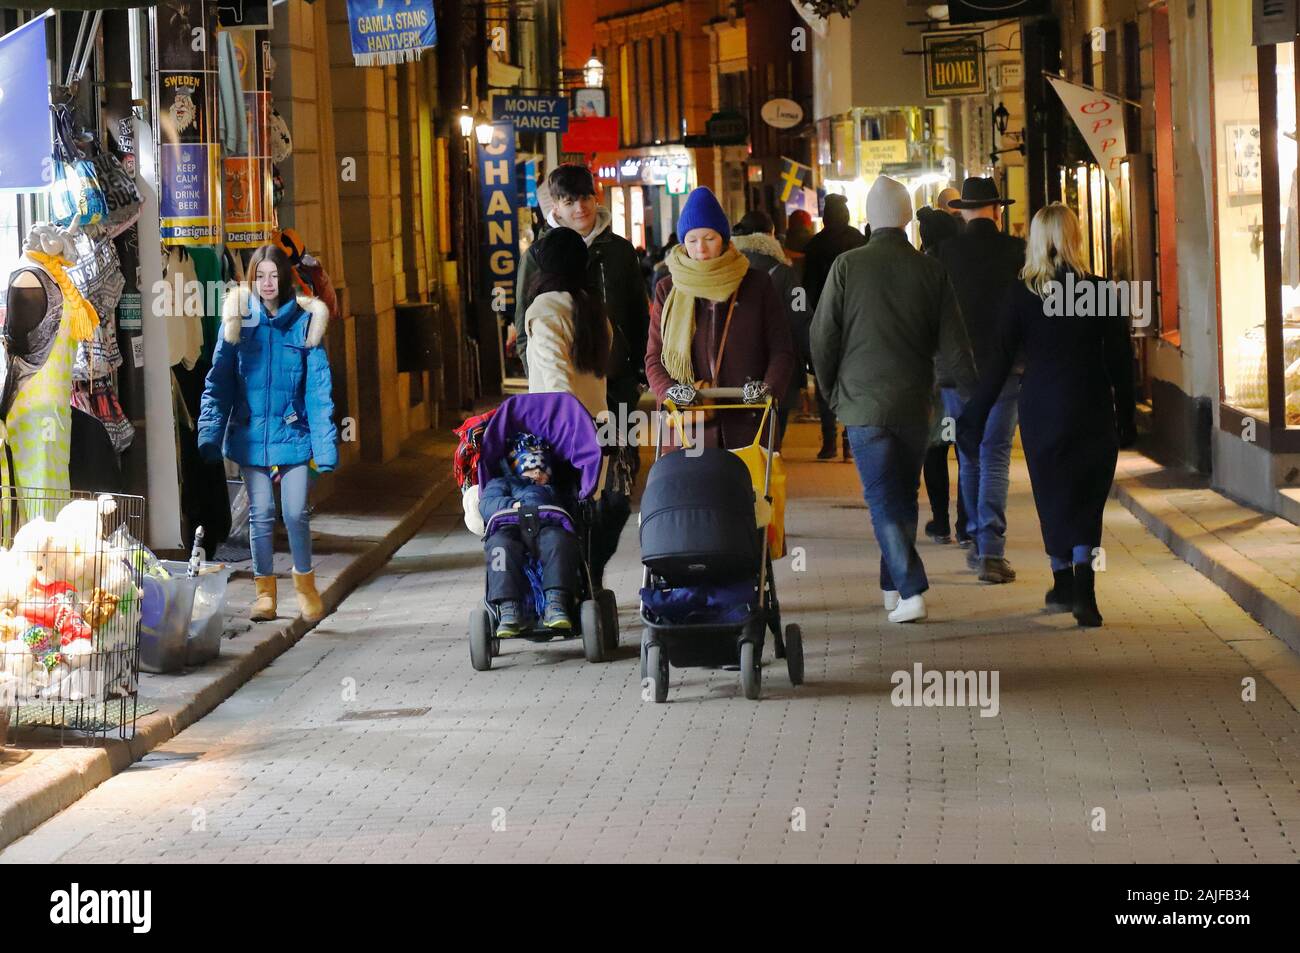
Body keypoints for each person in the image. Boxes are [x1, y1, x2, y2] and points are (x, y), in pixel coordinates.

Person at [958, 203, 1136, 628]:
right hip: (1092, 407)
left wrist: (973, 416)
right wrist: (1127, 418)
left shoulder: (1022, 294)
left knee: (1053, 493)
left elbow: (999, 362)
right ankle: (1084, 588)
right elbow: (1122, 363)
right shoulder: (1100, 291)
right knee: (1087, 501)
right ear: (1075, 237)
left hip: (1042, 408)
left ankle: (1062, 581)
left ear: (1036, 241)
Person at [811, 175, 977, 624]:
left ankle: (909, 588)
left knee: (884, 499)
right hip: (913, 404)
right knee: (902, 495)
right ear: (908, 218)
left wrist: (830, 394)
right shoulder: (931, 270)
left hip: (862, 406)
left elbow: (822, 336)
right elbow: (956, 346)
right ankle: (893, 586)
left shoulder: (846, 266)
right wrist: (973, 399)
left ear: (869, 218)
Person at [513, 165, 649, 588]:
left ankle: (589, 567)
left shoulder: (618, 250)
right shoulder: (539, 254)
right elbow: (524, 326)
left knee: (615, 494)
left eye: (586, 197)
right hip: (559, 402)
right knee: (571, 489)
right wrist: (540, 386)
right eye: (570, 200)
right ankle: (570, 577)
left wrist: (636, 373)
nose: (581, 207)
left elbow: (639, 316)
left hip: (616, 391)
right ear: (555, 205)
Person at [198, 244, 337, 623]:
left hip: (292, 433)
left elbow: (318, 389)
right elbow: (218, 382)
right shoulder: (237, 320)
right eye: (260, 275)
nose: (267, 282)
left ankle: (306, 586)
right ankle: (265, 595)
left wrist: (325, 446)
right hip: (249, 433)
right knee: (261, 513)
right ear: (251, 279)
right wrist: (210, 432)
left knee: (294, 513)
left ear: (285, 278)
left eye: (274, 274)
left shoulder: (305, 322)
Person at [645, 187, 796, 450]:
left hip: (748, 425)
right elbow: (654, 358)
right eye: (692, 241)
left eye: (709, 238)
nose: (700, 248)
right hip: (688, 428)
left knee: (749, 491)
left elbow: (781, 349)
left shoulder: (757, 284)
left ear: (725, 239)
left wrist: (768, 389)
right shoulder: (667, 289)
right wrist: (670, 391)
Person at [937, 176, 1027, 584]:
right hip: (1006, 369)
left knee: (968, 452)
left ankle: (974, 541)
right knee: (995, 456)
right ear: (997, 210)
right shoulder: (1016, 251)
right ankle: (991, 550)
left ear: (963, 211)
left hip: (958, 376)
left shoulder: (944, 253)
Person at [480, 433, 581, 635]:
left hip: (548, 526)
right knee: (499, 546)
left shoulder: (556, 487)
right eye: (531, 470)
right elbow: (487, 504)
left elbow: (574, 504)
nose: (537, 475)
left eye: (541, 470)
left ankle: (556, 601)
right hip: (511, 528)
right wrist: (513, 505)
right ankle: (509, 606)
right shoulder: (502, 484)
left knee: (559, 541)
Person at [917, 187, 967, 544]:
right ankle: (967, 524)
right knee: (967, 452)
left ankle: (940, 520)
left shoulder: (921, 270)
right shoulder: (964, 268)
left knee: (934, 450)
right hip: (963, 373)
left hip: (931, 375)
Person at [801, 193, 866, 460]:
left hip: (823, 321)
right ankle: (850, 442)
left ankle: (828, 443)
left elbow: (806, 289)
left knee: (825, 381)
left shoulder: (815, 245)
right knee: (851, 381)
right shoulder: (859, 241)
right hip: (855, 321)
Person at [523, 226, 613, 418]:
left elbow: (556, 378)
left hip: (562, 428)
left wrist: (568, 429)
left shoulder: (544, 312)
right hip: (598, 422)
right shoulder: (593, 307)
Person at [732, 209, 804, 442]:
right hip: (777, 367)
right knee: (770, 438)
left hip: (733, 368)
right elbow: (800, 315)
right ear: (771, 235)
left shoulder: (724, 269)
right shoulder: (784, 271)